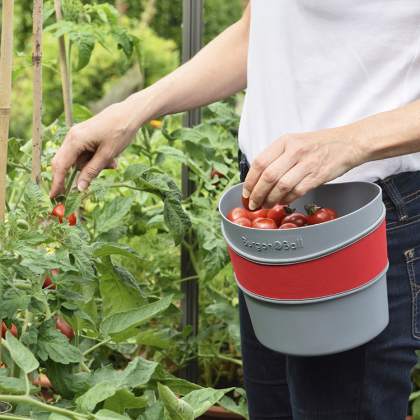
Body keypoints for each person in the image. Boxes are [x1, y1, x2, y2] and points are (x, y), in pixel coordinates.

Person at [50, 1, 420, 419]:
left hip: (357, 224)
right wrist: (133, 109)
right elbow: (256, 29)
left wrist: (352, 142)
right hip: (264, 216)